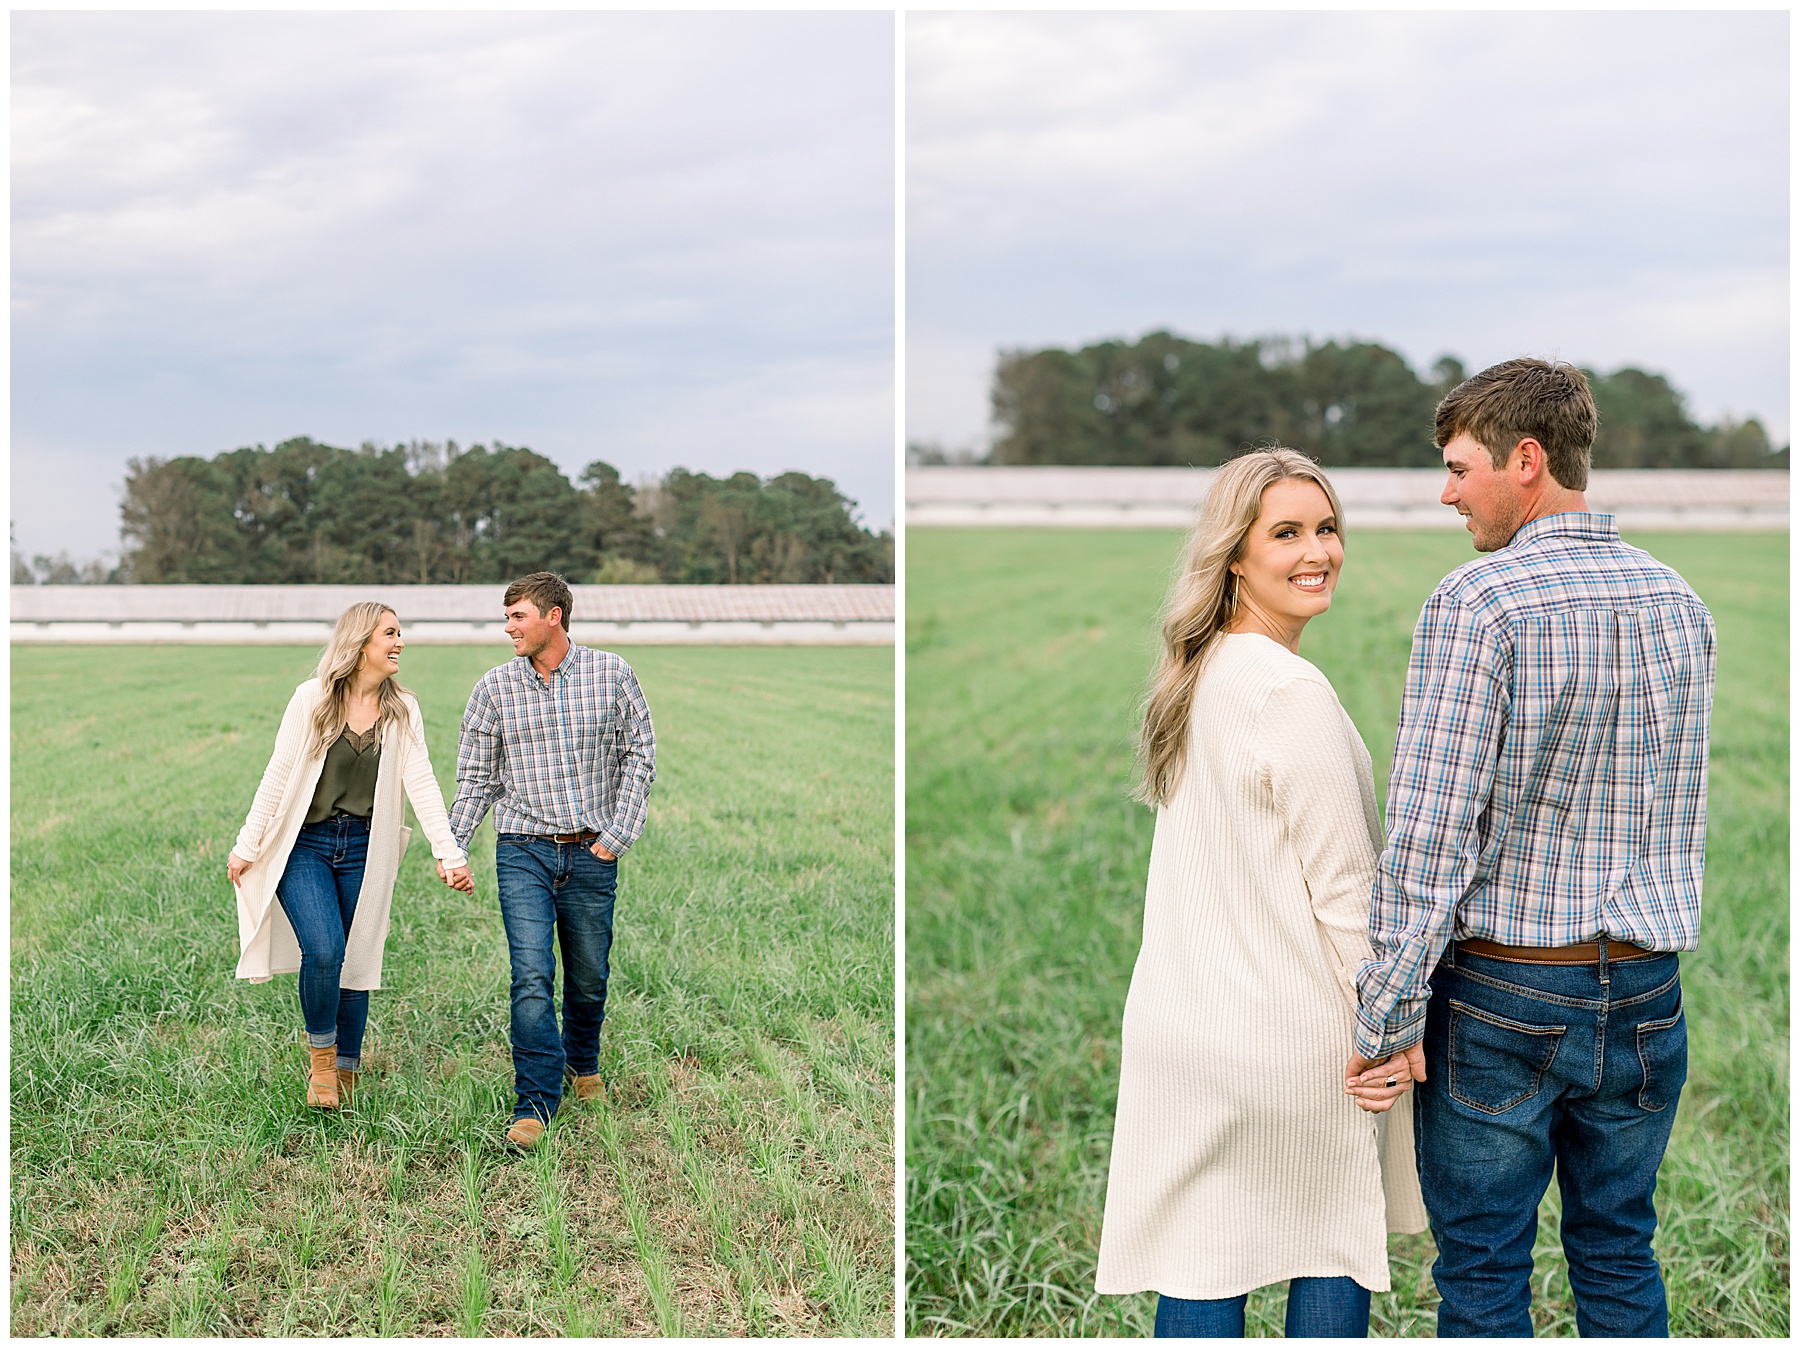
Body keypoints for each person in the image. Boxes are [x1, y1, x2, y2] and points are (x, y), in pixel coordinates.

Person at [1346, 358, 1716, 1337]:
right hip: (1645, 995)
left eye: (1461, 467)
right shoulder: (1681, 602)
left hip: (1505, 996)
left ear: (1526, 458)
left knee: (1481, 1271)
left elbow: (1430, 830)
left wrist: (1384, 1014)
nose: (1446, 491)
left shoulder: (1479, 602)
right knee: (1618, 1247)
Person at [1096, 448, 1428, 1339]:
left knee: (1205, 1260)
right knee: (1327, 1246)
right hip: (1293, 1043)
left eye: (1326, 528)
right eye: (1287, 532)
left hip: (1187, 1031)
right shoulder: (1287, 692)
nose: (1318, 550)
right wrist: (1393, 1034)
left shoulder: (1198, 676)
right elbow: (1349, 897)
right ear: (1234, 555)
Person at [229, 602, 475, 1109]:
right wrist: (247, 845)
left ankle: (348, 1070)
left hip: (365, 848)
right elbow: (277, 775)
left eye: (400, 633)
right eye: (391, 633)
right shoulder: (313, 698)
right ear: (362, 643)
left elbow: (422, 782)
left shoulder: (402, 709)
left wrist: (449, 853)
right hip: (306, 846)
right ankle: (322, 1061)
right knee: (323, 950)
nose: (400, 642)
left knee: (355, 958)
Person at [447, 571, 656, 1150]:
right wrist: (453, 846)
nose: (507, 626)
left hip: (593, 850)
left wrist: (616, 836)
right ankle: (535, 1102)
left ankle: (582, 1065)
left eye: (518, 616)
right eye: (506, 616)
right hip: (523, 852)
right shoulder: (493, 688)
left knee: (588, 977)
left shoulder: (612, 673)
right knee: (533, 976)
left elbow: (641, 754)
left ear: (553, 616)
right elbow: (475, 779)